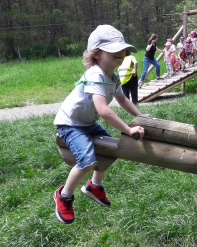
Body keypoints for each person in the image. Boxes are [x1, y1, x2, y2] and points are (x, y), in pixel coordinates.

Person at [53, 24, 151, 224]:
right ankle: (64, 195)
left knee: (111, 149)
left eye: (123, 49)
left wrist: (140, 117)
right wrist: (129, 129)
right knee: (87, 161)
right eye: (114, 50)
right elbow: (103, 110)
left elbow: (123, 100)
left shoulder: (113, 76)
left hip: (86, 123)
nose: (121, 53)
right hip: (71, 124)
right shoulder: (95, 75)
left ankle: (94, 186)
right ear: (96, 54)